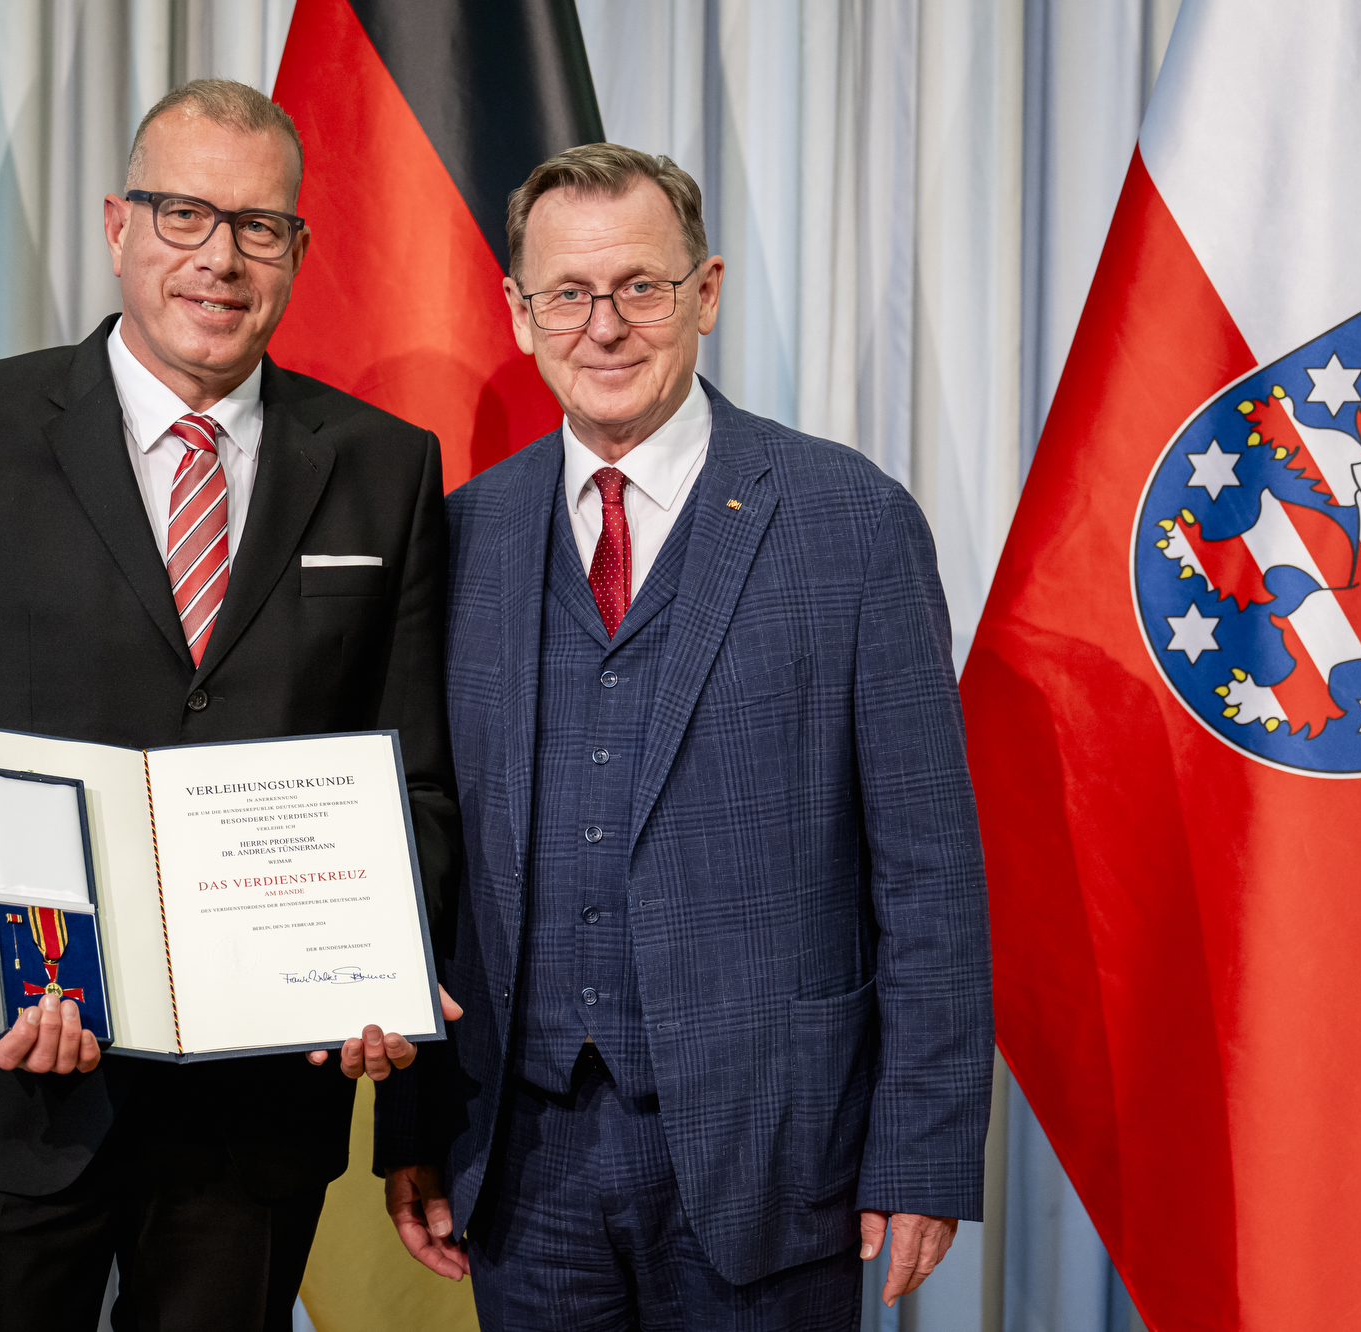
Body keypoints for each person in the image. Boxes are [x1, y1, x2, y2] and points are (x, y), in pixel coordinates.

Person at [0, 80, 458, 1332]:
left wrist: (379, 959)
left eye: (257, 226)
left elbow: (417, 784)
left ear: (298, 252)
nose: (217, 257)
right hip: (7, 1105)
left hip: (255, 1116)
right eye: (181, 213)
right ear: (117, 223)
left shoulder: (387, 468)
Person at [377, 143, 994, 1329]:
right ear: (517, 312)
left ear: (703, 292)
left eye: (639, 288)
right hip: (520, 1164)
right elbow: (431, 854)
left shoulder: (851, 521)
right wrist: (414, 1125)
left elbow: (929, 871)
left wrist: (921, 1148)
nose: (601, 325)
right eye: (566, 293)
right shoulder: (463, 536)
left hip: (770, 1159)